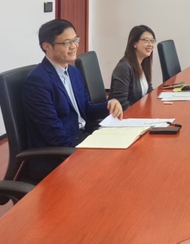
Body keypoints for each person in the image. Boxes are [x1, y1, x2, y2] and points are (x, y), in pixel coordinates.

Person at [23, 19, 123, 179]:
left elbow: (86, 108)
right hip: (59, 155)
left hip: (83, 138)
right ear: (47, 46)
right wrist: (88, 152)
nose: (74, 46)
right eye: (67, 43)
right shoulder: (38, 81)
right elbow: (53, 134)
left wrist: (109, 104)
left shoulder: (73, 72)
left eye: (75, 40)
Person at [109, 25, 156, 109]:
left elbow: (149, 92)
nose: (150, 44)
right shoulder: (124, 68)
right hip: (128, 115)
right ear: (134, 43)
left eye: (152, 41)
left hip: (141, 112)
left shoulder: (143, 64)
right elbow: (121, 103)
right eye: (146, 40)